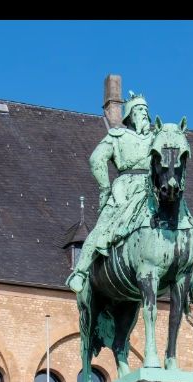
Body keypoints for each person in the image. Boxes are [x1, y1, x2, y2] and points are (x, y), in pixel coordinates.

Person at [66, 93, 155, 293]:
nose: (144, 114)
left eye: (146, 110)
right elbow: (96, 160)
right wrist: (105, 188)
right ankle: (80, 271)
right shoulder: (117, 136)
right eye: (140, 110)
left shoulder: (156, 137)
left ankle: (192, 278)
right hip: (127, 187)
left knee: (180, 221)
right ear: (130, 115)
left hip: (153, 188)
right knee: (104, 227)